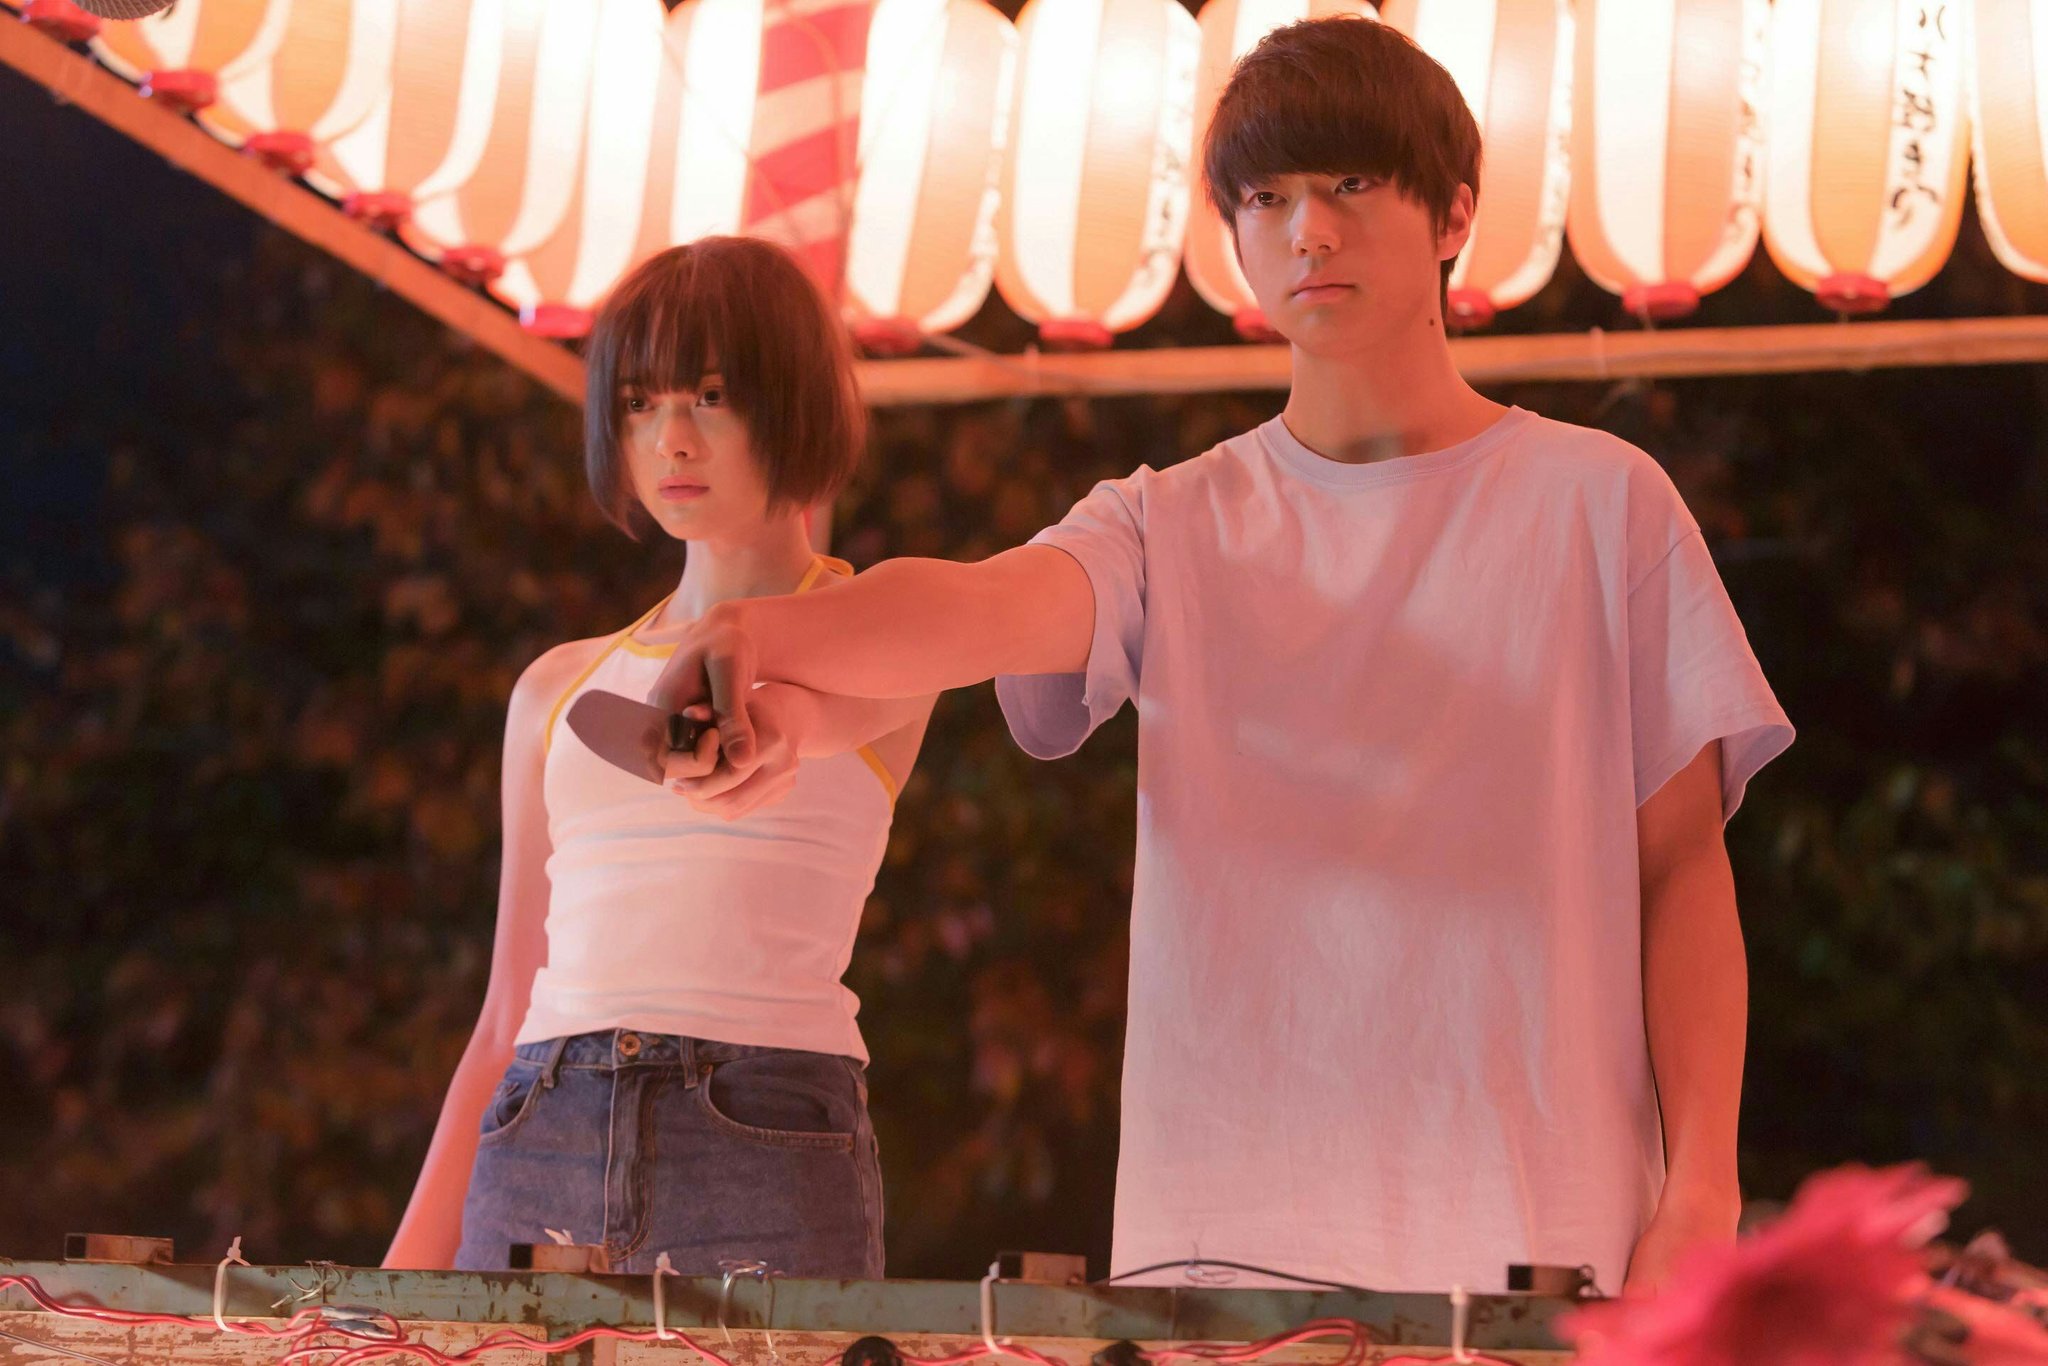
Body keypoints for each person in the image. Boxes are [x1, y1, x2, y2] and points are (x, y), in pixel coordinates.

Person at [651, 17, 1793, 1297]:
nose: (1308, 231)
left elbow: (1681, 866)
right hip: (1222, 1256)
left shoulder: (1601, 501)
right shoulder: (1169, 521)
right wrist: (763, 630)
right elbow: (977, 604)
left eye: (1351, 183)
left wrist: (1702, 1186)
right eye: (1266, 197)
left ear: (1453, 212)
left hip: (1542, 1236)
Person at [384, 237, 935, 1276]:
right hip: (543, 1116)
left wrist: (755, 712)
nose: (671, 438)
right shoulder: (556, 687)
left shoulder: (890, 629)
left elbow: (807, 707)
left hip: (762, 1127)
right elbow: (506, 1011)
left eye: (711, 397)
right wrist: (391, 1287)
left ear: (796, 402)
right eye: (638, 403)